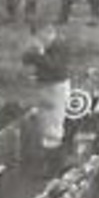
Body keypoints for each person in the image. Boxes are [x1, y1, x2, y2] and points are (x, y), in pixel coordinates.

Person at [21, 24, 71, 164]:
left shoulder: (60, 46)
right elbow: (25, 59)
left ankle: (54, 164)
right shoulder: (44, 47)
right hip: (45, 87)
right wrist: (35, 51)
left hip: (55, 88)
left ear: (48, 33)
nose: (39, 40)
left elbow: (55, 67)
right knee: (44, 122)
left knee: (53, 124)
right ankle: (47, 160)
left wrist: (39, 54)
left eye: (40, 36)